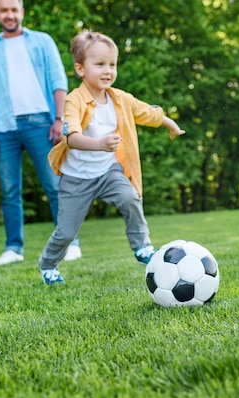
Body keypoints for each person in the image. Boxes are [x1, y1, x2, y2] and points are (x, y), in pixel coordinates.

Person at [38, 30, 186, 285]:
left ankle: (142, 246)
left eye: (112, 64)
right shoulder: (74, 100)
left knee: (129, 196)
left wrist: (170, 124)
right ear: (80, 69)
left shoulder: (120, 99)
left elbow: (147, 113)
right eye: (99, 64)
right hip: (76, 179)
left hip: (109, 172)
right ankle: (48, 264)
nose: (108, 70)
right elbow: (70, 137)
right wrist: (99, 144)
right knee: (65, 233)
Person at [0, 0, 81, 266]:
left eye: (14, 9)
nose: (9, 15)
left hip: (41, 123)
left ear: (22, 12)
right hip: (3, 128)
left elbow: (59, 82)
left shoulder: (43, 42)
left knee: (55, 185)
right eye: (4, 10)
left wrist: (60, 119)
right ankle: (13, 248)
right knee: (10, 191)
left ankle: (70, 243)